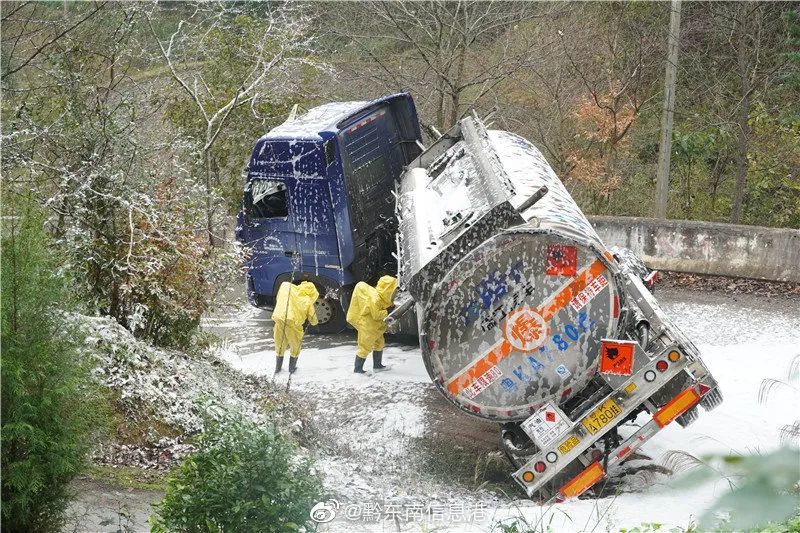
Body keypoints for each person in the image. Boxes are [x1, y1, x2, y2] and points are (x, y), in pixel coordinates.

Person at [346, 275, 398, 374]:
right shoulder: (375, 299)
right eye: (393, 290)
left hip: (375, 326)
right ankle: (358, 370)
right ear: (387, 289)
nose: (395, 293)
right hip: (367, 325)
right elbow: (376, 315)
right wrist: (387, 311)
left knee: (380, 343)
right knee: (365, 347)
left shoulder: (383, 298)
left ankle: (378, 366)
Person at [272, 281, 319, 374]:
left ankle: (278, 368)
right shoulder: (308, 300)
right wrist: (315, 324)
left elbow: (283, 285)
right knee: (295, 345)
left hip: (279, 319)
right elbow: (312, 317)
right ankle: (292, 368)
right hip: (293, 323)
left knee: (280, 342)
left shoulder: (287, 287)